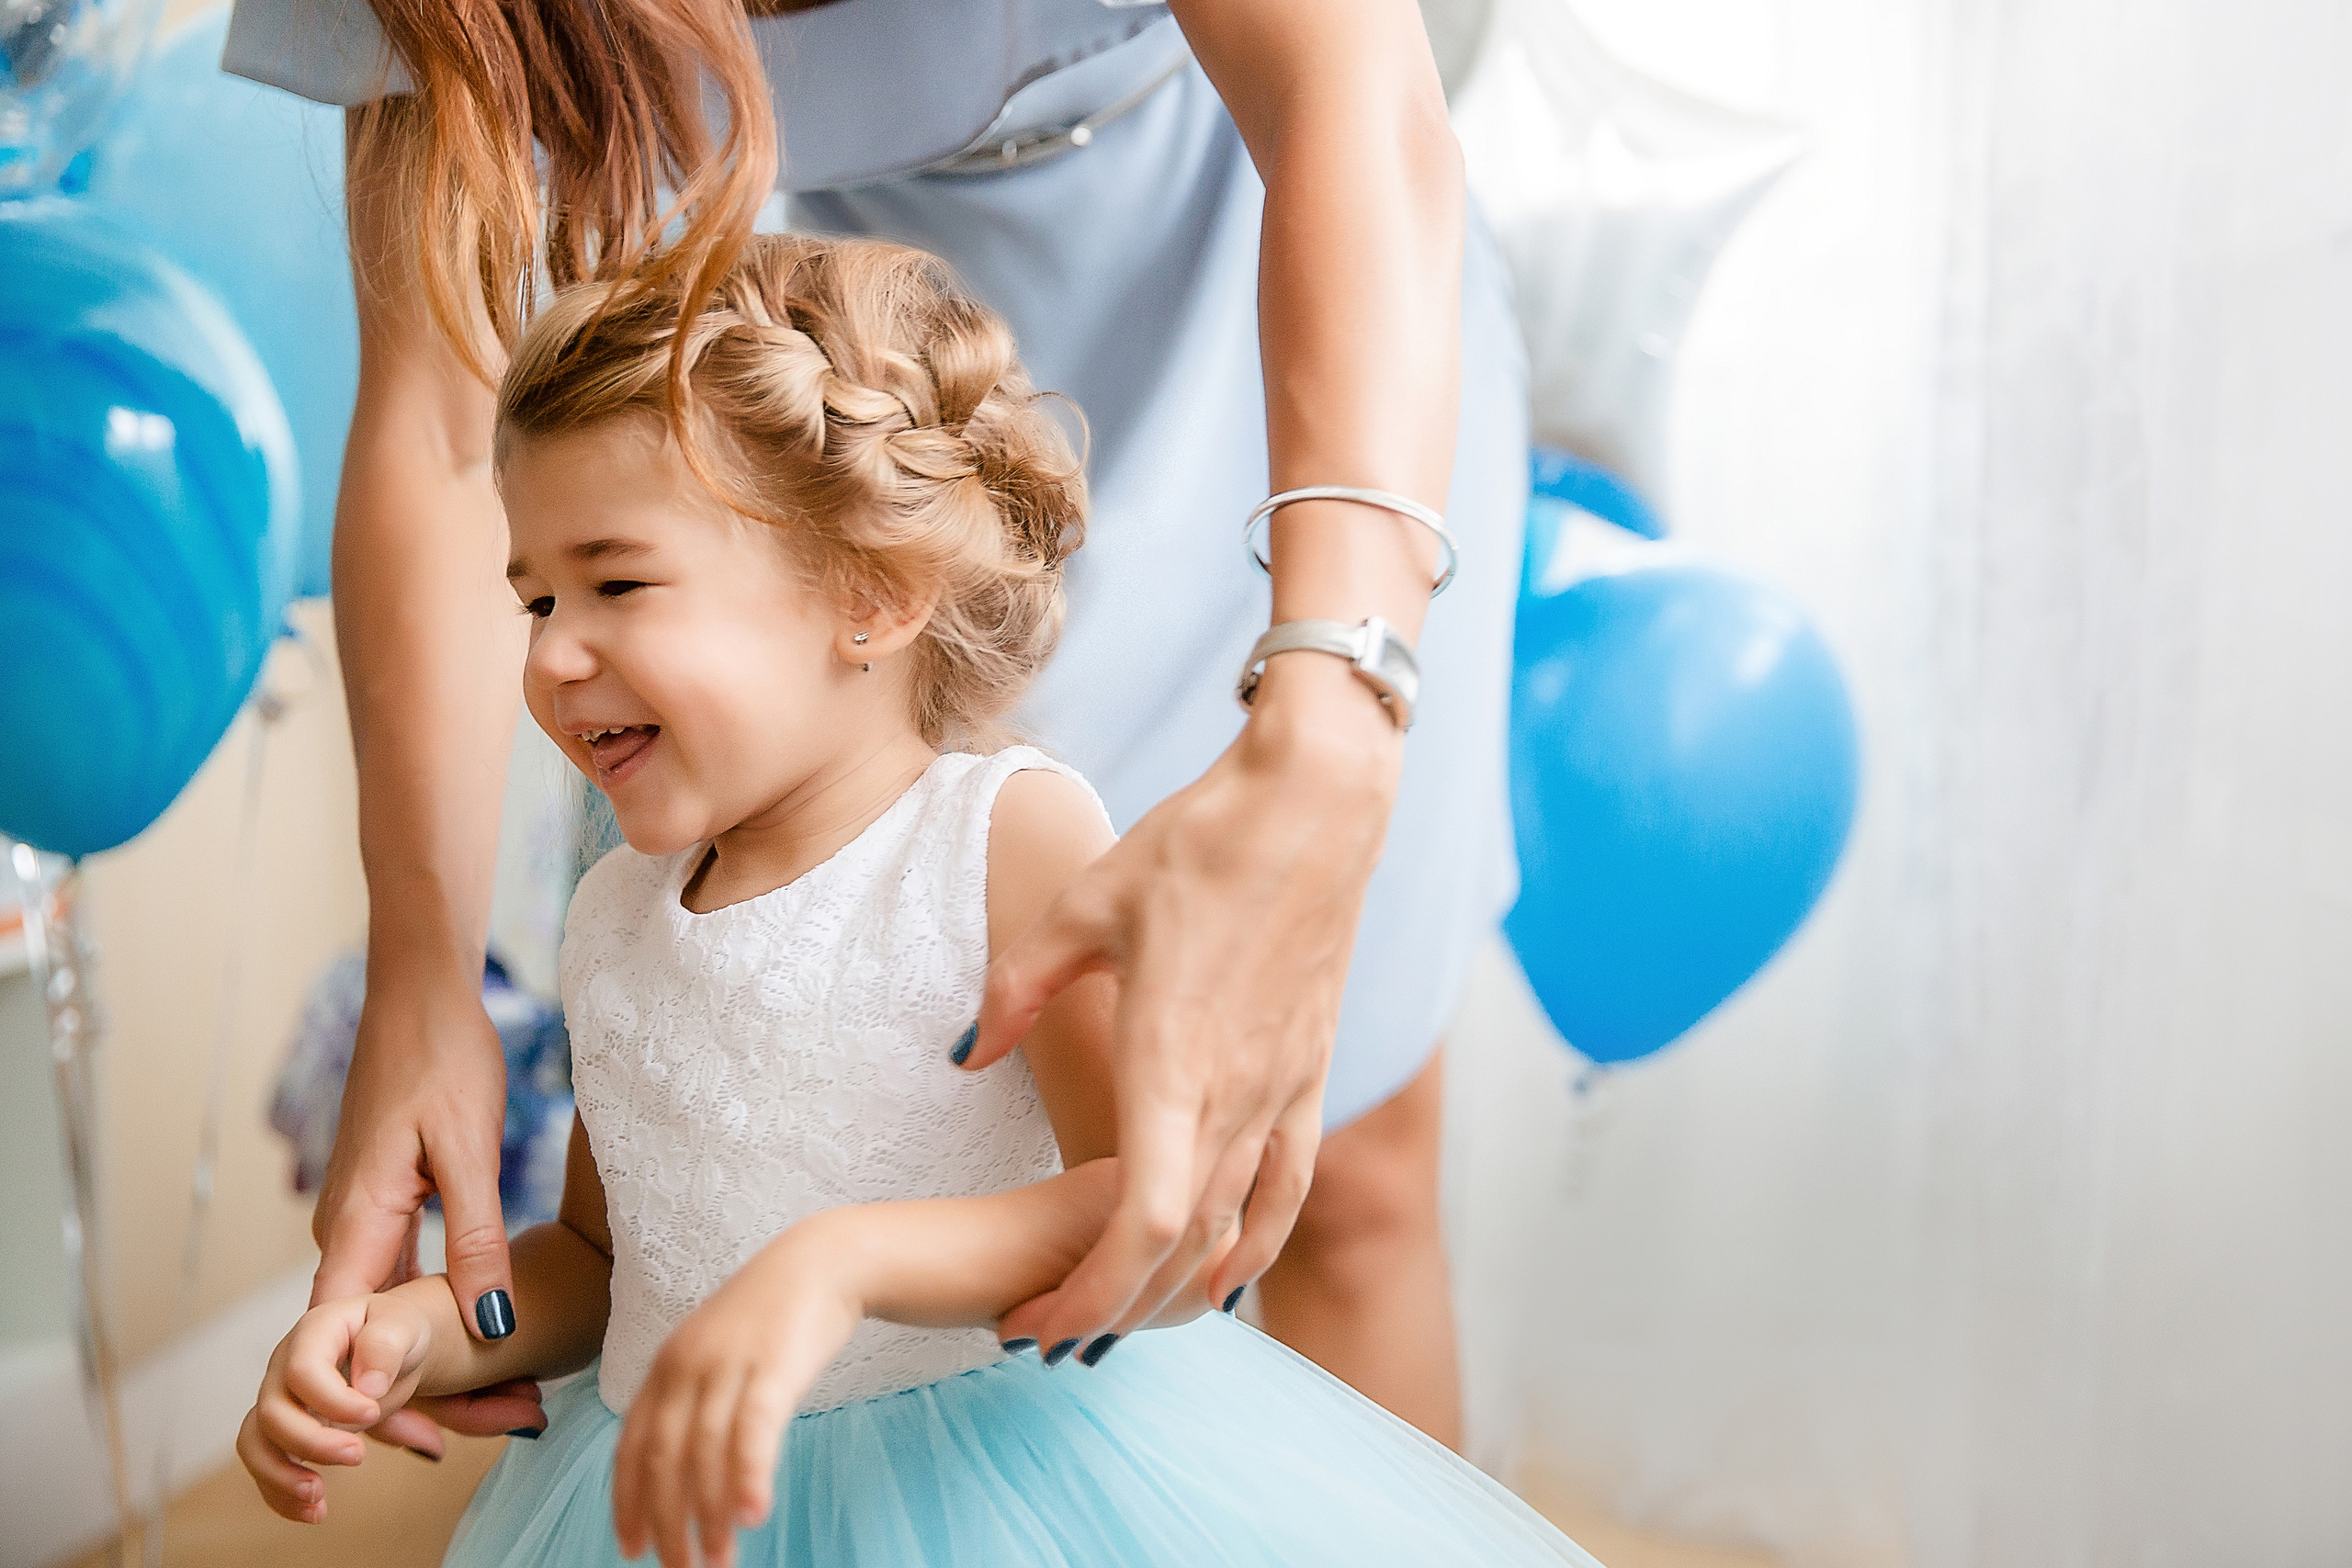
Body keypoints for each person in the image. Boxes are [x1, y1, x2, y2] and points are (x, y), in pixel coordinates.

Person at [221, 0, 1526, 1448]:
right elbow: (438, 422)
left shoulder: (1001, 821)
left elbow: (1351, 96)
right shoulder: (637, 903)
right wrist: (422, 977)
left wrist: (1329, 724)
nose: (554, 652)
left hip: (1291, 308)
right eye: (533, 601)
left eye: (602, 592)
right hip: (849, 386)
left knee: (1340, 1165)